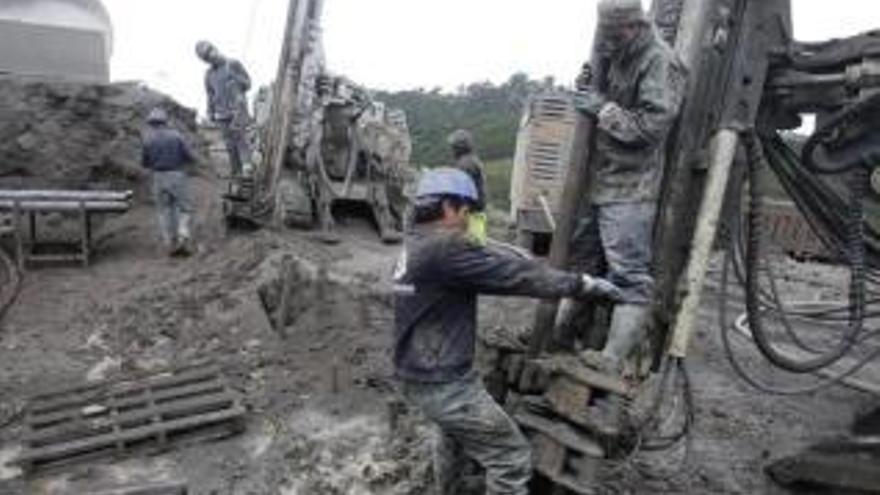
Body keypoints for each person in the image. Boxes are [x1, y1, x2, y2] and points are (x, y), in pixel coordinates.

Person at [393, 168, 622, 495]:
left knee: (450, 434)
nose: (468, 220)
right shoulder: (446, 250)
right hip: (444, 382)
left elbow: (485, 256)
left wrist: (506, 253)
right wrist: (582, 284)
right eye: (466, 212)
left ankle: (449, 489)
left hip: (416, 375)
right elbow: (517, 277)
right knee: (511, 457)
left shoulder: (416, 244)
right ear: (449, 207)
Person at [567, 0, 686, 374]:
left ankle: (613, 358)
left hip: (631, 185)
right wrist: (589, 84)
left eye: (614, 35)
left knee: (629, 274)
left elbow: (652, 127)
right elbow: (602, 91)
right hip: (599, 178)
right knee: (582, 262)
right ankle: (564, 332)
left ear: (634, 27)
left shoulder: (658, 61)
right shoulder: (614, 49)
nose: (608, 43)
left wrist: (602, 108)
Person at [142, 108, 197, 256]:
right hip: (177, 175)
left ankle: (169, 243)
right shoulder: (177, 136)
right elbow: (190, 157)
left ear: (151, 123)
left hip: (158, 177)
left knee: (164, 210)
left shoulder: (148, 139)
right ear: (165, 121)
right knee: (184, 208)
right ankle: (183, 237)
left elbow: (145, 163)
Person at [195, 40, 252, 178]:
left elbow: (248, 84)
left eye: (211, 52)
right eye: (206, 58)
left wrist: (236, 78)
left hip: (238, 110)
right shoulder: (209, 75)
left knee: (240, 138)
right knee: (229, 144)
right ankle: (236, 171)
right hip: (221, 114)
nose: (211, 57)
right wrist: (210, 112)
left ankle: (247, 168)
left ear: (215, 48)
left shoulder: (233, 64)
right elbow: (210, 95)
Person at [447, 129, 489, 245]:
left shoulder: (465, 164)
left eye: (453, 146)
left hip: (469, 213)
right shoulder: (471, 160)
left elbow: (460, 191)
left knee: (468, 247)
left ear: (458, 147)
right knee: (476, 246)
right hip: (476, 212)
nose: (452, 150)